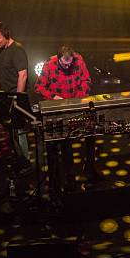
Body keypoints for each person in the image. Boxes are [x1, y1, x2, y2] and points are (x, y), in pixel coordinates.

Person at [35, 46, 93, 192]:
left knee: (90, 134)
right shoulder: (50, 64)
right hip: (58, 108)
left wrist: (78, 98)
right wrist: (54, 97)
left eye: (69, 64)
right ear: (59, 58)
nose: (67, 66)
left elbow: (87, 80)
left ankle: (90, 169)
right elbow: (39, 87)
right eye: (64, 64)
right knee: (62, 143)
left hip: (77, 105)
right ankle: (64, 176)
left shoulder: (78, 60)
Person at [0, 22, 32, 174]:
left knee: (19, 130)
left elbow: (23, 75)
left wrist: (18, 98)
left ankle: (26, 162)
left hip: (15, 97)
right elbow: (4, 71)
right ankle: (19, 158)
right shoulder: (1, 52)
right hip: (5, 96)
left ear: (6, 36)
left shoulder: (17, 50)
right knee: (11, 130)